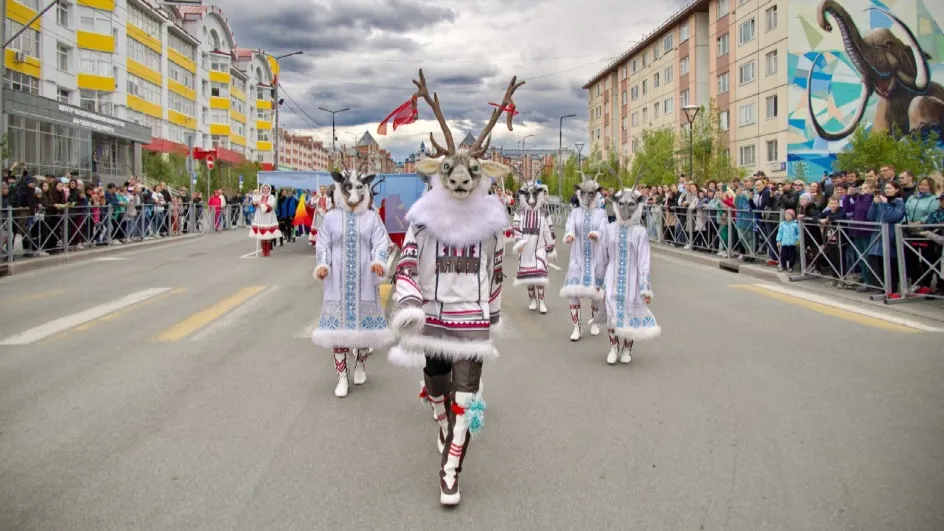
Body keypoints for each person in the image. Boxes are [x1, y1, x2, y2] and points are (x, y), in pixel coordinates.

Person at [385, 67, 517, 506]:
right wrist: (408, 304)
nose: (461, 180)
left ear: (482, 176)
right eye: (451, 173)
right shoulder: (424, 222)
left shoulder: (490, 227)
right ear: (439, 175)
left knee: (466, 395)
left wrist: (492, 317)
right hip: (434, 321)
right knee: (438, 388)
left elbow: (496, 273)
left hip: (473, 324)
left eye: (470, 174)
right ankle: (441, 419)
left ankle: (451, 467)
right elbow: (405, 262)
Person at [312, 170, 393, 398]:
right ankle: (341, 377)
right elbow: (322, 245)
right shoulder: (330, 218)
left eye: (358, 189)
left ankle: (359, 364)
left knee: (363, 330)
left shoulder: (371, 217)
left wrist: (378, 261)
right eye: (348, 189)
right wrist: (322, 265)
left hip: (364, 278)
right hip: (336, 278)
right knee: (338, 331)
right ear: (341, 189)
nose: (352, 195)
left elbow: (380, 243)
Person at [600, 185, 660, 364]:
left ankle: (627, 348)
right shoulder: (609, 229)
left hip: (632, 279)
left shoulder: (640, 232)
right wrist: (598, 281)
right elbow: (603, 256)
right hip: (612, 277)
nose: (625, 209)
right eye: (622, 204)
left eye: (631, 205)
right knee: (612, 314)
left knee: (629, 313)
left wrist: (645, 288)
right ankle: (613, 346)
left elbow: (644, 261)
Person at [560, 171, 608, 341]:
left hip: (596, 259)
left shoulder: (601, 214)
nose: (587, 196)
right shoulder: (575, 213)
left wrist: (597, 234)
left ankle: (594, 321)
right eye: (584, 193)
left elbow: (604, 229)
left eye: (591, 193)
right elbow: (570, 226)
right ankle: (577, 327)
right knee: (573, 291)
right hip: (577, 258)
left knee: (595, 293)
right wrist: (570, 234)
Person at [511, 180, 556, 314]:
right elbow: (516, 228)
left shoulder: (544, 212)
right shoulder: (519, 212)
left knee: (540, 274)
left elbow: (549, 230)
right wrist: (518, 241)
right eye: (528, 195)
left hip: (540, 247)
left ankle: (542, 301)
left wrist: (551, 246)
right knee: (529, 276)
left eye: (535, 194)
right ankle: (532, 299)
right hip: (525, 248)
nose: (531, 198)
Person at [249, 184, 281, 256]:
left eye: (267, 188)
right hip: (260, 217)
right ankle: (263, 250)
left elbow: (271, 205)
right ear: (262, 189)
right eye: (264, 188)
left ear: (269, 189)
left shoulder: (272, 197)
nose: (265, 190)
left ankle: (268, 250)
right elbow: (254, 203)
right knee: (261, 235)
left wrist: (261, 205)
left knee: (268, 235)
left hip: (269, 217)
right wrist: (256, 196)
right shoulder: (259, 196)